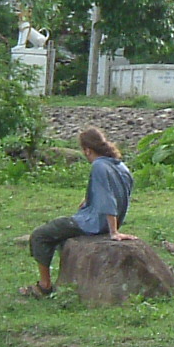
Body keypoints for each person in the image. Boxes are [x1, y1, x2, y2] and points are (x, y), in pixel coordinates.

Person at [21, 127, 136, 297]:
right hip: (106, 220)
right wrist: (89, 200)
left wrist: (114, 232)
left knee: (40, 235)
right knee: (61, 238)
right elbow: (119, 192)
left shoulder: (98, 166)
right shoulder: (120, 166)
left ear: (87, 150)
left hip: (93, 223)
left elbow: (108, 199)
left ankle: (44, 286)